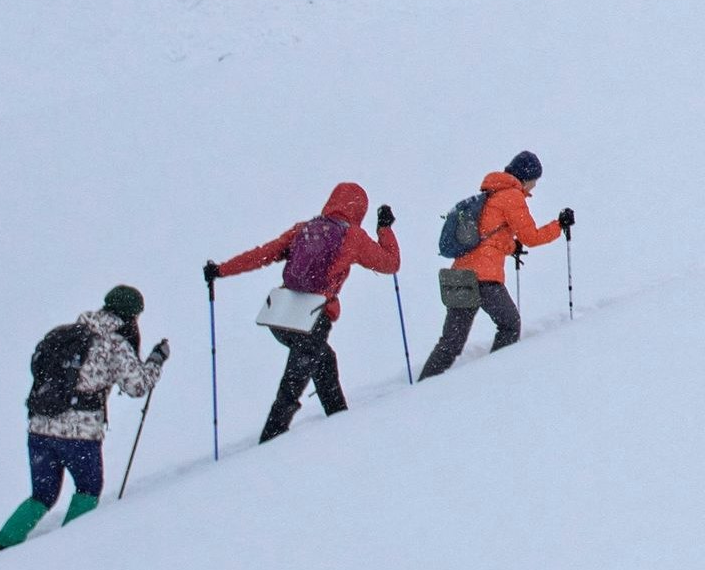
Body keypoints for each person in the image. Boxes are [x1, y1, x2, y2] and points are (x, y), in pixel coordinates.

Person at [208, 181, 400, 439]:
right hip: (313, 318)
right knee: (292, 387)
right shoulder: (353, 236)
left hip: (282, 317)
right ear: (359, 210)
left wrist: (220, 270)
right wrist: (385, 228)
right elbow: (391, 263)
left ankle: (339, 418)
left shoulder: (305, 229)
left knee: (324, 360)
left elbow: (261, 255)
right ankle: (269, 444)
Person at [0, 288, 164, 552]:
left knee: (42, 495)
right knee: (89, 489)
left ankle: (2, 546)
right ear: (132, 316)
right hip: (79, 434)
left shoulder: (64, 333)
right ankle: (70, 550)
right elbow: (137, 386)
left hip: (39, 428)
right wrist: (156, 360)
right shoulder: (115, 344)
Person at [418, 152, 568, 380]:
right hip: (484, 279)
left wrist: (511, 247)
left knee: (451, 342)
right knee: (510, 325)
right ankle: (494, 379)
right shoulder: (511, 197)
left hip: (460, 274)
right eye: (534, 181)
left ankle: (422, 388)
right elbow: (532, 237)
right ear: (526, 177)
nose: (533, 188)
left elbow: (488, 238)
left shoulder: (490, 195)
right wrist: (559, 225)